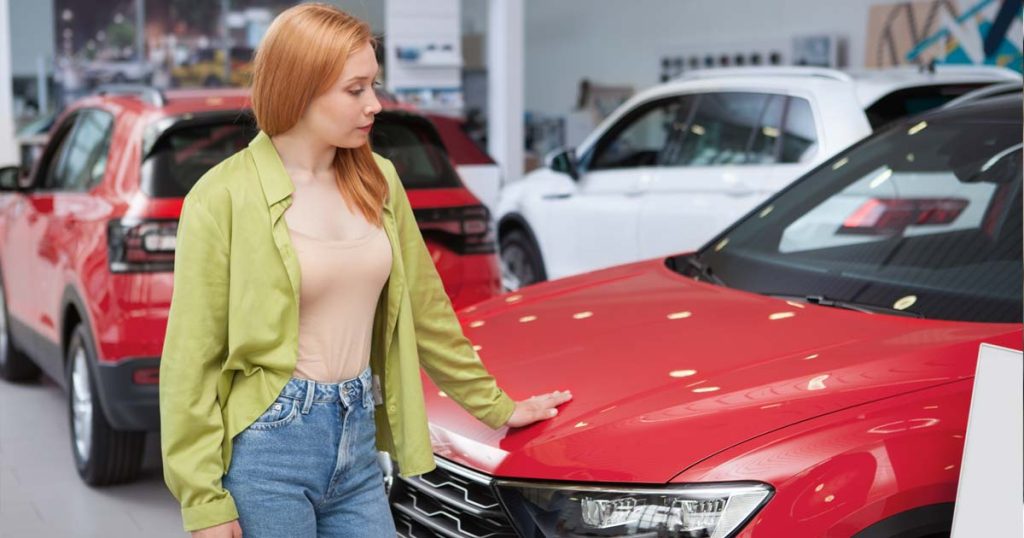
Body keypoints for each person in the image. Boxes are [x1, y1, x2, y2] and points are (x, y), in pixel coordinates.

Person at [158, 4, 572, 538]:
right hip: (268, 449)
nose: (374, 104)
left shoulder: (379, 179)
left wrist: (497, 407)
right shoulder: (220, 198)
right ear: (300, 88)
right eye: (356, 90)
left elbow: (427, 312)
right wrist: (204, 503)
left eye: (373, 86)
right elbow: (190, 363)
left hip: (356, 441)